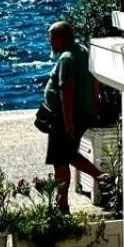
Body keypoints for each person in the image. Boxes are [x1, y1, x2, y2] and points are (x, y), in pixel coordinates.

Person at [41, 20, 101, 213]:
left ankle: (63, 204)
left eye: (52, 39)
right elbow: (95, 82)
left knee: (61, 160)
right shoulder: (82, 51)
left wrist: (68, 123)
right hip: (80, 114)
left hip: (64, 118)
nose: (50, 43)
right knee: (68, 155)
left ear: (62, 38)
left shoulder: (67, 58)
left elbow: (66, 92)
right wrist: (93, 107)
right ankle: (100, 179)